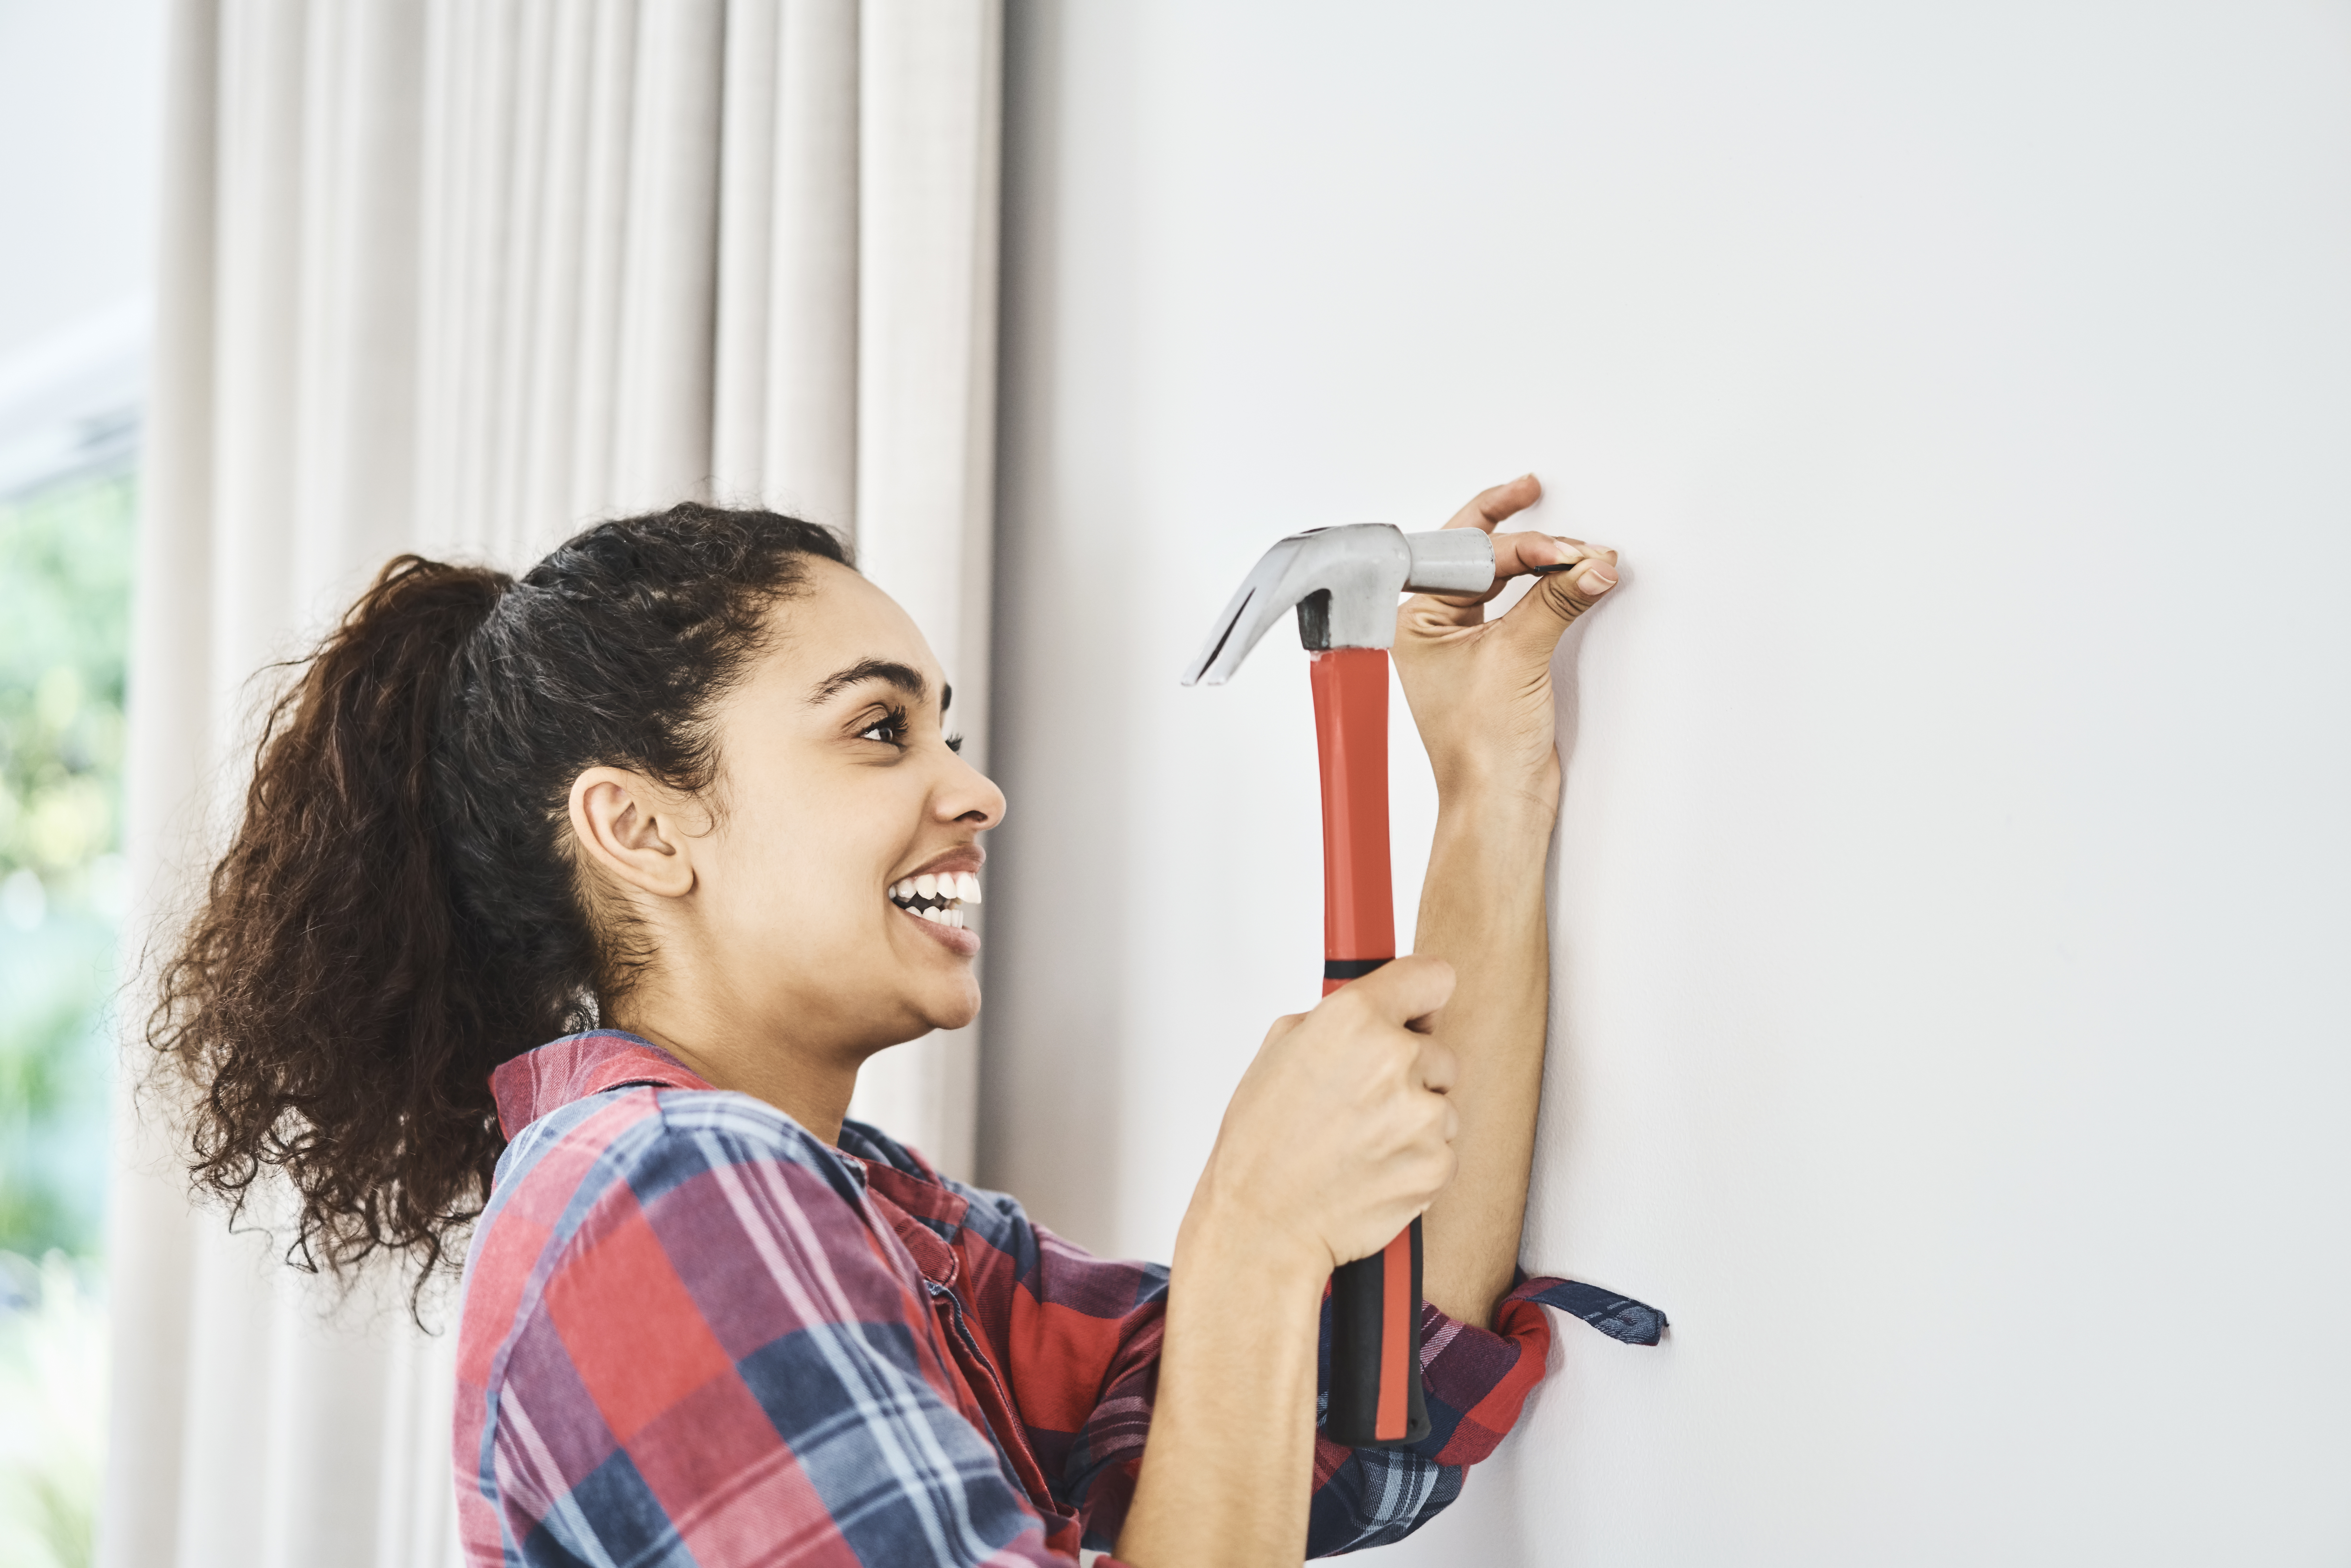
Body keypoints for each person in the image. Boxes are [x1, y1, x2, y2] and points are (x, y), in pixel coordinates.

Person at [151, 475, 1656, 1566]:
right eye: (879, 730)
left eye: (946, 729)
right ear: (640, 828)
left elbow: (1350, 1415)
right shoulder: (657, 1194)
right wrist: (1253, 1236)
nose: (974, 791)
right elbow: (1287, 1355)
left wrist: (1486, 789)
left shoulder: (883, 1221)